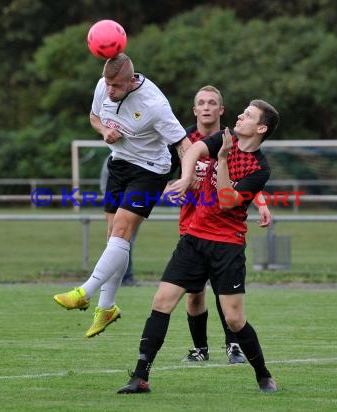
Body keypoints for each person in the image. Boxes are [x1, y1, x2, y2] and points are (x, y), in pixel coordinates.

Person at [117, 99, 280, 394]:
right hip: (194, 239)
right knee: (161, 302)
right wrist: (186, 177)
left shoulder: (259, 168)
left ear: (261, 128)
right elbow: (192, 149)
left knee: (233, 318)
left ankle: (264, 375)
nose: (240, 117)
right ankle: (140, 377)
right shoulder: (224, 136)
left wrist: (220, 161)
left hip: (227, 246)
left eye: (248, 115)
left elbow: (227, 201)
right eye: (242, 113)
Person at [53, 53, 190, 338]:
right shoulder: (103, 86)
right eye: (108, 84)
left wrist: (186, 177)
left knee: (121, 230)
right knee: (114, 240)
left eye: (116, 85)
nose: (110, 90)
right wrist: (104, 130)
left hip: (150, 169)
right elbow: (93, 117)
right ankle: (107, 309)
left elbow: (184, 144)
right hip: (119, 163)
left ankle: (84, 291)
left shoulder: (155, 104)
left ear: (131, 80)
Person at [176, 86, 272, 365]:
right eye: (201, 103)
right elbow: (168, 176)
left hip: (223, 228)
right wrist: (183, 182)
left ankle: (233, 345)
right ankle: (200, 349)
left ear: (222, 110)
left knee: (224, 292)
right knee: (194, 294)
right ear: (194, 110)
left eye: (212, 103)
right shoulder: (184, 140)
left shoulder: (234, 139)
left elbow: (247, 178)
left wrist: (262, 202)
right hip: (191, 223)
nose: (206, 108)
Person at [99, 157, 139, 286]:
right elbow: (107, 186)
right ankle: (122, 276)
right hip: (119, 204)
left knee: (124, 241)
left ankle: (123, 276)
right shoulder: (114, 159)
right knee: (119, 240)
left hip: (130, 204)